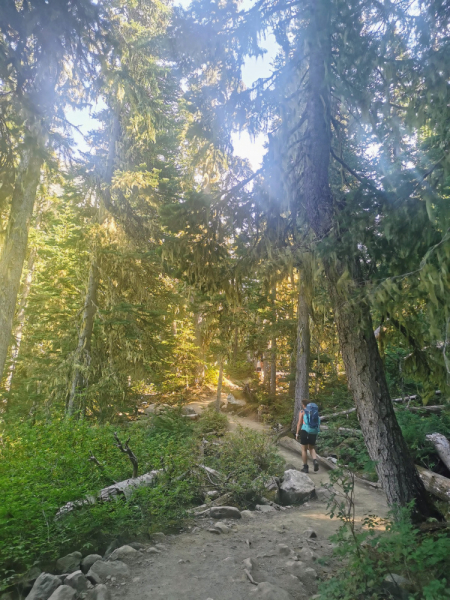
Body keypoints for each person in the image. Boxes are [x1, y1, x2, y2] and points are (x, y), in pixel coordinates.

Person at [295, 399, 320, 473]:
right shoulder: (314, 412)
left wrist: (297, 433)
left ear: (304, 405)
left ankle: (305, 468)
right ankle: (315, 460)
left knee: (304, 449)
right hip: (314, 431)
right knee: (311, 448)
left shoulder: (302, 412)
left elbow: (299, 423)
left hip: (305, 431)